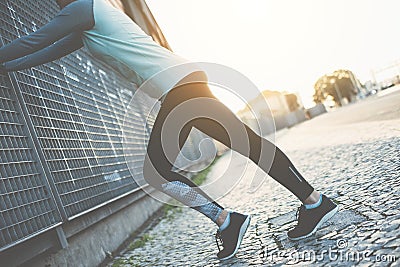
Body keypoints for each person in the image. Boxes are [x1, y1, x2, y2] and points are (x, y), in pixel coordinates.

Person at [0, 0, 339, 261]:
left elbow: (34, 40)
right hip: (184, 83)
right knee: (248, 145)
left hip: (179, 89)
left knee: (157, 171)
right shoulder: (86, 25)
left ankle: (229, 220)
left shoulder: (84, 8)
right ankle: (313, 203)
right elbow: (44, 51)